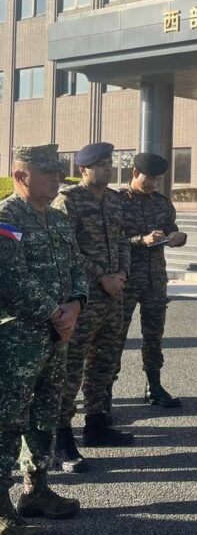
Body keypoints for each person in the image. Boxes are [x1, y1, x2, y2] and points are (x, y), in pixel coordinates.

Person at [0, 145, 87, 531]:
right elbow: (10, 279)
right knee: (7, 418)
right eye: (48, 173)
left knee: (45, 413)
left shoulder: (58, 219)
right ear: (22, 176)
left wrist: (76, 305)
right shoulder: (6, 218)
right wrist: (56, 313)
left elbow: (77, 266)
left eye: (59, 173)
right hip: (17, 338)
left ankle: (35, 489)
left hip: (55, 336)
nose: (57, 180)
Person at [52, 143, 133, 473]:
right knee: (71, 367)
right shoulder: (68, 201)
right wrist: (101, 277)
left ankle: (97, 423)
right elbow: (67, 250)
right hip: (83, 297)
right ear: (83, 169)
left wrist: (122, 273)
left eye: (109, 163)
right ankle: (61, 437)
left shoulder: (114, 200)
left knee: (105, 362)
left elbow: (123, 240)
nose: (107, 168)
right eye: (100, 164)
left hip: (113, 296)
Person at [113, 153, 188, 409]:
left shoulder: (161, 203)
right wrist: (140, 240)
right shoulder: (116, 201)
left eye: (157, 180)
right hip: (125, 279)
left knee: (154, 334)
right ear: (135, 173)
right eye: (149, 179)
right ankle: (104, 391)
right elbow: (109, 240)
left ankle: (154, 386)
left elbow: (171, 228)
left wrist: (178, 236)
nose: (154, 184)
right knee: (115, 336)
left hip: (155, 279)